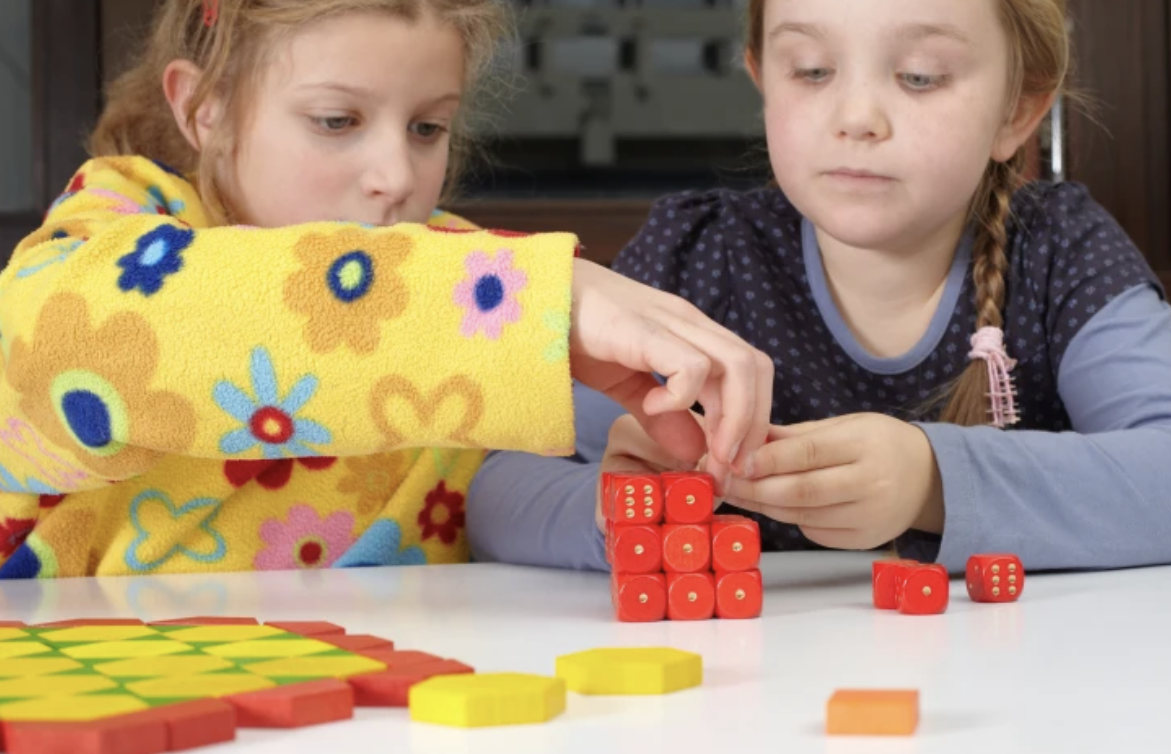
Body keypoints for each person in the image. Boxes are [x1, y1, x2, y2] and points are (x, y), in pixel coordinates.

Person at [467, 0, 1171, 573]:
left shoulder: (1062, 251)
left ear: (1017, 111)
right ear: (762, 78)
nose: (857, 116)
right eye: (811, 70)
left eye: (920, 76)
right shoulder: (697, 254)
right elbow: (499, 495)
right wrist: (621, 510)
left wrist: (931, 481)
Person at [0, 0, 772, 578]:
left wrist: (619, 504)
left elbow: (492, 492)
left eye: (427, 128)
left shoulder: (464, 271)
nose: (396, 177)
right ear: (204, 109)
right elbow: (67, 346)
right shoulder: (118, 231)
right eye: (337, 121)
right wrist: (526, 302)